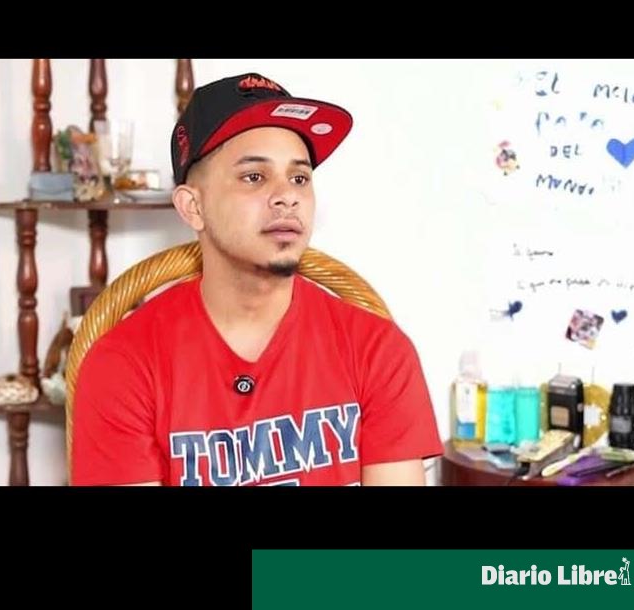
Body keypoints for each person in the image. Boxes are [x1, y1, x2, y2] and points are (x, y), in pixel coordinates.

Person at [69, 72, 441, 486]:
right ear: (193, 207)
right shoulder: (123, 365)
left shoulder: (379, 351)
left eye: (299, 178)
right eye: (254, 177)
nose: (288, 196)